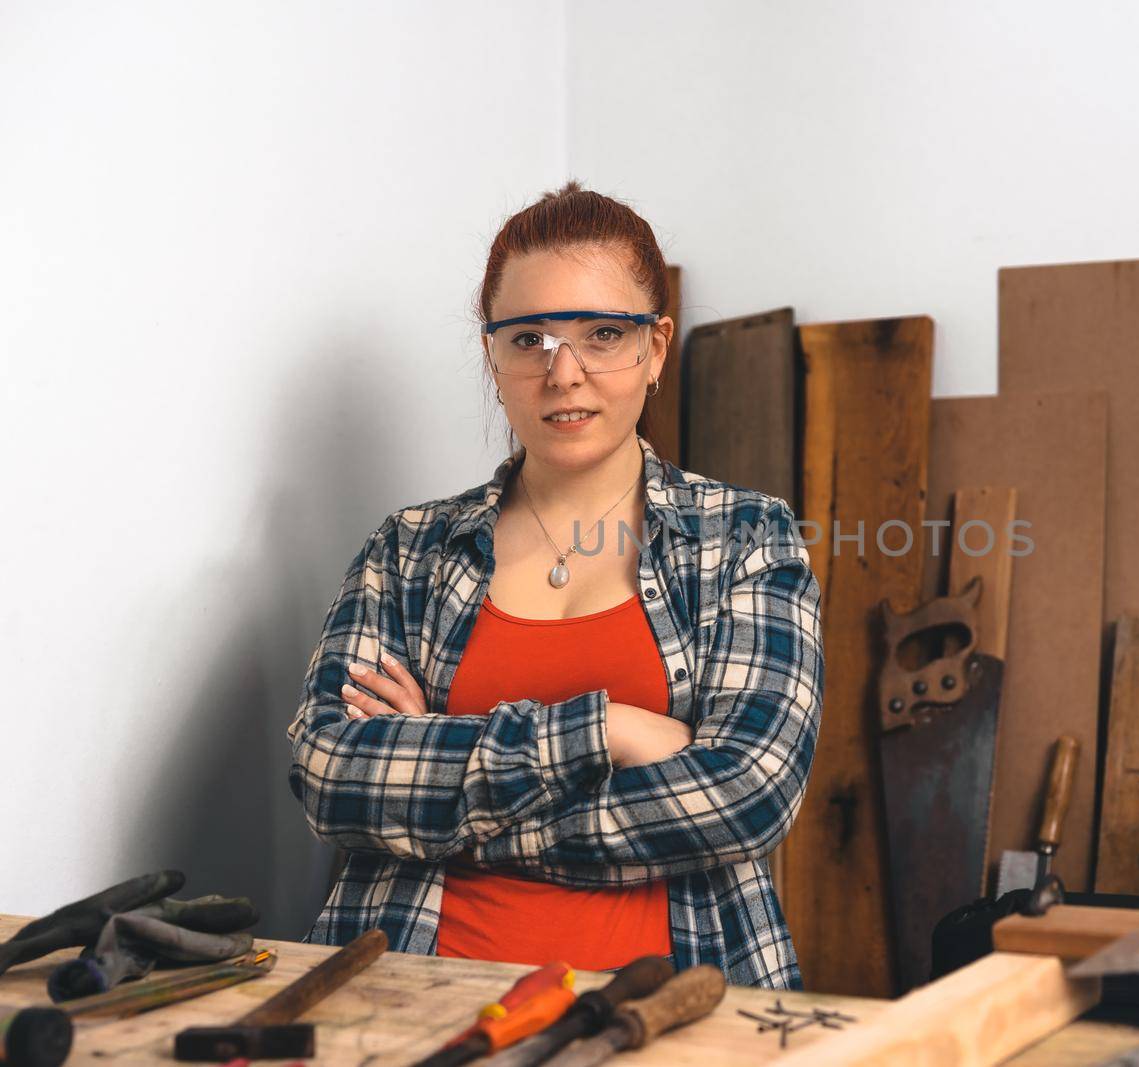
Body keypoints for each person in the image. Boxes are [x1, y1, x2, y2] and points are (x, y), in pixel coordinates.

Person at [285, 181, 824, 990]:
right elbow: (332, 773)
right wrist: (606, 730)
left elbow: (746, 795)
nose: (563, 372)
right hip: (405, 1002)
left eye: (603, 334)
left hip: (668, 1013)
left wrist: (447, 788)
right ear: (492, 356)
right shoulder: (408, 551)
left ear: (655, 348)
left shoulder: (746, 536)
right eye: (529, 337)